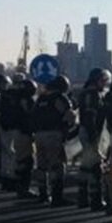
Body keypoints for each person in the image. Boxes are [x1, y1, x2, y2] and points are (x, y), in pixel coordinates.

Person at [32, 75, 76, 207]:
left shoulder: (41, 98)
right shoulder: (59, 98)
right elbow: (69, 115)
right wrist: (69, 128)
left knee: (41, 165)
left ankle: (43, 194)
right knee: (57, 165)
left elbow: (33, 115)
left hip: (39, 134)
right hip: (54, 134)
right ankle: (57, 197)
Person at [0, 74, 38, 197]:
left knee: (14, 157)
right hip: (23, 132)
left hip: (9, 129)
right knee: (26, 160)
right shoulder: (25, 100)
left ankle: (12, 182)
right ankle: (23, 188)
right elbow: (31, 115)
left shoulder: (8, 96)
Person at [77, 68, 111, 210]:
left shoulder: (84, 93)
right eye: (103, 81)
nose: (104, 84)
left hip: (85, 130)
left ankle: (83, 197)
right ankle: (95, 200)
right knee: (95, 167)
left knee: (86, 165)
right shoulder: (93, 94)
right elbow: (91, 116)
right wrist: (93, 136)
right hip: (91, 132)